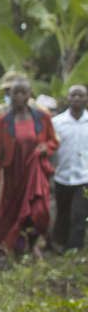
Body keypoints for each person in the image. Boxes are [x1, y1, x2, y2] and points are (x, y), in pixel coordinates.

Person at [0, 77, 58, 258]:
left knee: (38, 210)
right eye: (14, 93)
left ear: (28, 95)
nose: (18, 96)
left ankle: (33, 244)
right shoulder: (2, 122)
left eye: (22, 92)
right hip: (12, 174)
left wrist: (45, 148)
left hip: (35, 173)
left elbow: (53, 141)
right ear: (9, 95)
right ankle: (15, 249)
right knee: (11, 212)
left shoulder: (42, 118)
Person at [51, 84, 88, 252]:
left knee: (79, 215)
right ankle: (59, 245)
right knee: (63, 213)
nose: (77, 99)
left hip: (84, 177)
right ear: (68, 98)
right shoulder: (57, 123)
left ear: (86, 99)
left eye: (81, 95)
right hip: (62, 176)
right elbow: (51, 148)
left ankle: (75, 248)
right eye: (74, 95)